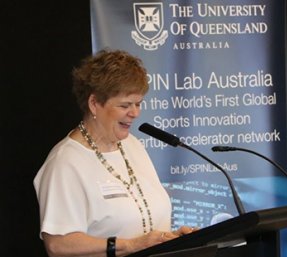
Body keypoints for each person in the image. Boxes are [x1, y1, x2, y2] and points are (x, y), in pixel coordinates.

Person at [34, 49, 194, 257]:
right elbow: (58, 245)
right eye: (125, 105)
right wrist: (131, 245)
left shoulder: (133, 146)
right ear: (94, 103)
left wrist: (172, 239)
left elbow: (143, 230)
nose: (135, 113)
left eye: (138, 104)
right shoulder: (65, 162)